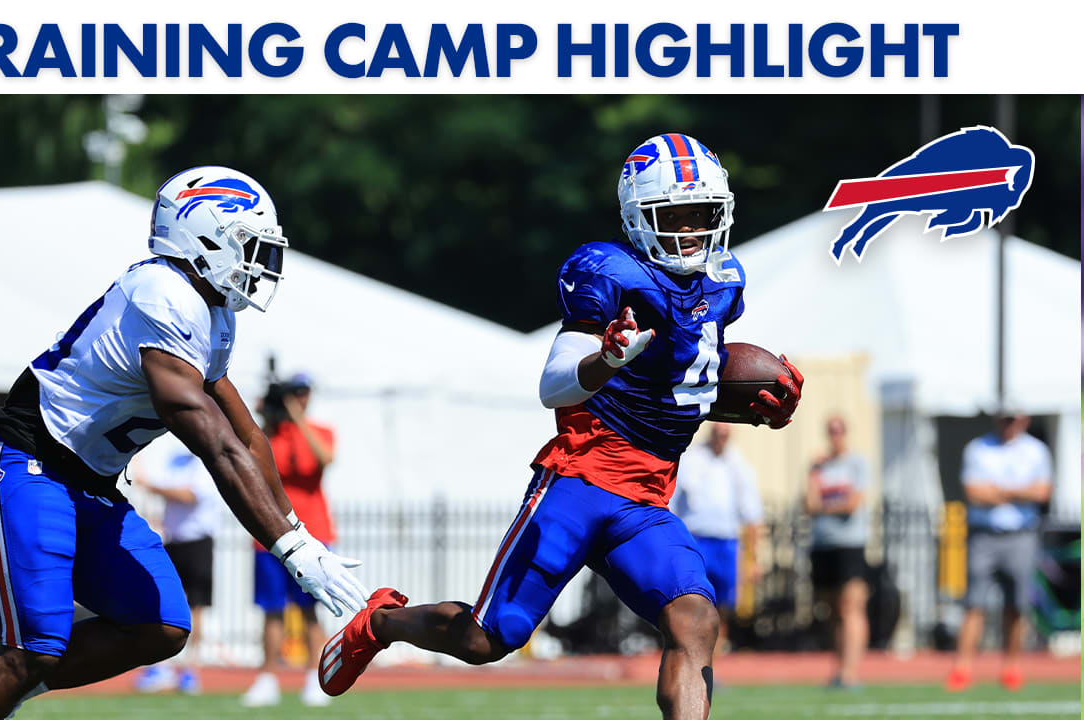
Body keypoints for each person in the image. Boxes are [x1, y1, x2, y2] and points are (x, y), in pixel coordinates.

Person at [316, 133, 803, 720]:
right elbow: (554, 384)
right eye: (676, 215)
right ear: (638, 218)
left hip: (646, 499)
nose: (692, 229)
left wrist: (756, 405)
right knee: (486, 639)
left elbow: (682, 389)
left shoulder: (723, 281)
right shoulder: (609, 272)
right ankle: (383, 621)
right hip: (579, 482)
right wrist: (607, 358)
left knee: (696, 619)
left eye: (704, 214)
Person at [0, 166, 369, 720]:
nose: (259, 263)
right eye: (249, 245)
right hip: (31, 462)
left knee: (161, 624)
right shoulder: (161, 292)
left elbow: (245, 434)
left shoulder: (211, 314)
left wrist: (297, 533)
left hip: (90, 482)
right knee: (34, 648)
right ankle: (1, 679)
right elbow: (210, 440)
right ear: (203, 235)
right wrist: (291, 548)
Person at [241, 372, 338, 707]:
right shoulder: (270, 433)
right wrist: (266, 416)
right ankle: (267, 678)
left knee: (310, 611)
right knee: (271, 611)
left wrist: (297, 417)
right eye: (293, 394)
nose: (298, 398)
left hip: (314, 534)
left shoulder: (320, 431)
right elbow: (246, 458)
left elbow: (325, 459)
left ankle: (315, 677)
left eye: (303, 392)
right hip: (270, 535)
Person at [945, 411, 1052, 693]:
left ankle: (1012, 668)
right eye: (1005, 419)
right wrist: (1019, 491)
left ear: (1024, 421)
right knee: (973, 604)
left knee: (1017, 606)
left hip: (1021, 535)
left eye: (1014, 419)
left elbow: (1042, 492)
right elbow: (974, 492)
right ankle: (962, 668)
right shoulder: (979, 448)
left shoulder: (1036, 450)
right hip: (984, 535)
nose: (1009, 425)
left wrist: (999, 491)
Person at [129, 437, 223, 696]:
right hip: (174, 541)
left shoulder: (206, 464)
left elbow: (189, 495)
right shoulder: (175, 461)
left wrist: (151, 485)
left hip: (197, 542)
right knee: (166, 603)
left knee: (197, 607)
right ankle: (163, 667)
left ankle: (191, 670)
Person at [668, 422, 764, 656]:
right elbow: (671, 505)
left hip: (727, 542)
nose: (721, 438)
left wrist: (753, 558)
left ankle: (712, 663)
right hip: (697, 540)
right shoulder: (691, 460)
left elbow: (752, 516)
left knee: (721, 608)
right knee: (692, 601)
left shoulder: (739, 465)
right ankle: (690, 656)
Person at [804, 415, 871, 690]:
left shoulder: (856, 463)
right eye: (831, 430)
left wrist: (826, 506)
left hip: (850, 544)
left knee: (851, 607)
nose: (835, 435)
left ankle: (852, 671)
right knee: (832, 610)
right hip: (823, 544)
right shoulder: (818, 466)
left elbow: (853, 504)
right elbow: (809, 503)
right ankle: (839, 669)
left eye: (839, 430)